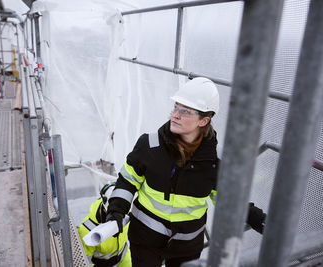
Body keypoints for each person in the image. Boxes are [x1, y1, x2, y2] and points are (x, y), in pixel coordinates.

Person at [105, 77, 266, 266]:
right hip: (145, 239)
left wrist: (260, 221)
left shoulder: (213, 164)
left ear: (204, 120)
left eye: (185, 111)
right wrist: (116, 212)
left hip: (187, 247)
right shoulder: (148, 145)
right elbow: (127, 181)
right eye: (176, 107)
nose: (175, 115)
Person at [78, 182, 131, 266]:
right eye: (114, 212)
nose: (119, 216)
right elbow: (83, 263)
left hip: (124, 259)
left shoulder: (126, 212)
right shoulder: (87, 230)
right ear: (105, 209)